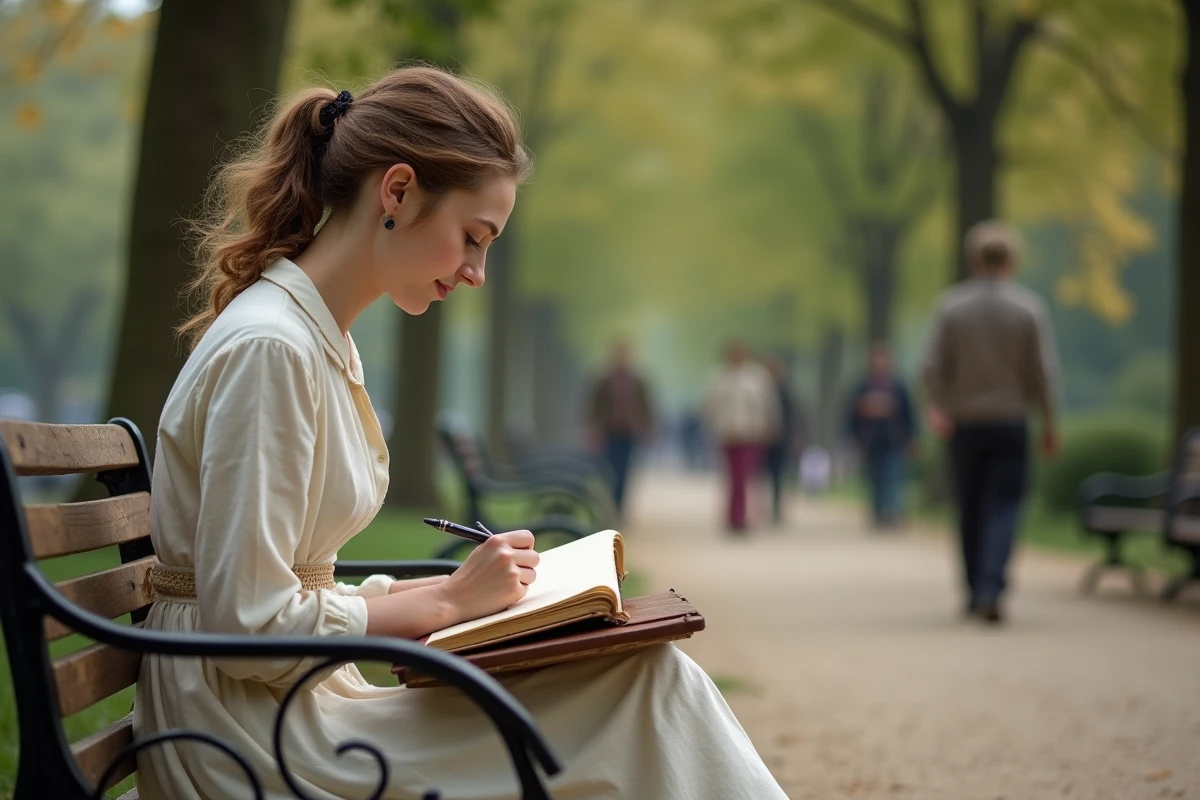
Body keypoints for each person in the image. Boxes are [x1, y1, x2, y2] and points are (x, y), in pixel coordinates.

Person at [134, 67, 788, 799]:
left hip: (288, 714)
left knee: (643, 678)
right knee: (646, 691)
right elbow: (247, 627)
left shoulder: (314, 340)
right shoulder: (274, 349)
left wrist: (456, 594)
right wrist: (444, 605)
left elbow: (276, 589)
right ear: (397, 191)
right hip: (244, 741)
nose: (477, 272)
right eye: (473, 237)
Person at [921, 220, 1061, 625]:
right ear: (1012, 260)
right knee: (1005, 504)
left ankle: (972, 590)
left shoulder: (952, 307)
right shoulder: (1028, 308)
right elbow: (1044, 372)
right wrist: (1049, 422)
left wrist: (938, 406)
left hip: (965, 423)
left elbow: (930, 366)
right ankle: (991, 585)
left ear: (974, 260)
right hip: (1010, 421)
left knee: (969, 505)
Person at [703, 342, 780, 533]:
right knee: (733, 476)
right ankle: (734, 515)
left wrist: (770, 427)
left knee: (745, 475)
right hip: (727, 434)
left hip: (751, 434)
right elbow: (708, 406)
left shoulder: (757, 377)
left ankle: (742, 515)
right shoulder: (719, 377)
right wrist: (714, 426)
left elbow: (769, 405)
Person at [846, 342, 916, 529]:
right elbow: (850, 415)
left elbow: (909, 413)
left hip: (895, 439)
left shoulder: (898, 386)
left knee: (894, 477)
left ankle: (893, 513)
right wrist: (854, 437)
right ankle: (877, 513)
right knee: (874, 479)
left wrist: (912, 438)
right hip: (870, 441)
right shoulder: (862, 386)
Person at [586, 340, 654, 515]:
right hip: (609, 432)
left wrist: (647, 426)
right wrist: (594, 428)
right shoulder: (603, 380)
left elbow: (645, 405)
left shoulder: (637, 381)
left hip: (629, 432)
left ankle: (619, 506)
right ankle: (611, 502)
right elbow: (594, 406)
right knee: (610, 469)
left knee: (625, 469)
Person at [763, 354, 804, 525]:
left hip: (781, 440)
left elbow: (794, 417)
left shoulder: (786, 392)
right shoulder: (761, 391)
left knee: (778, 475)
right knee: (762, 477)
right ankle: (763, 508)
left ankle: (776, 507)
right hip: (762, 440)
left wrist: (794, 436)